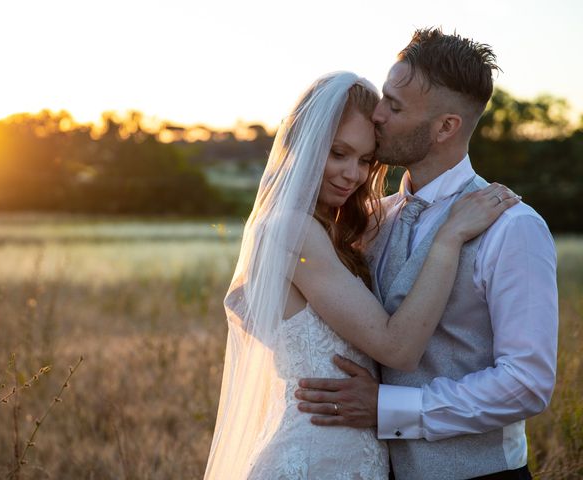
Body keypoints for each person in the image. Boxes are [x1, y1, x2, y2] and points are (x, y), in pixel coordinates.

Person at [204, 71, 519, 480]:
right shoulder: (290, 229)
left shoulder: (342, 230)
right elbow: (397, 348)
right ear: (303, 144)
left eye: (365, 160)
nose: (352, 175)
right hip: (315, 459)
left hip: (353, 458)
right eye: (338, 153)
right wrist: (449, 239)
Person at [295, 29, 558, 480]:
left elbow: (526, 384)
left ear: (445, 127)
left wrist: (390, 409)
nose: (376, 114)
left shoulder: (513, 228)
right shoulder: (372, 218)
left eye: (394, 107)